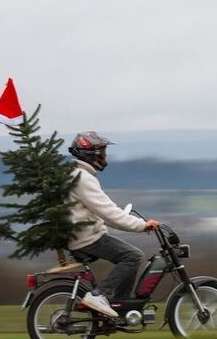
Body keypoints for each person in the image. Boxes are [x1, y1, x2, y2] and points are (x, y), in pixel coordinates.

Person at [65, 131, 160, 317]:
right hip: (87, 237)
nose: (103, 157)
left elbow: (104, 213)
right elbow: (108, 213)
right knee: (133, 256)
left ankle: (121, 306)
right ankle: (99, 295)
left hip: (84, 234)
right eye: (101, 152)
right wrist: (142, 225)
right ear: (90, 154)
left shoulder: (76, 174)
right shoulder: (83, 178)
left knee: (129, 256)